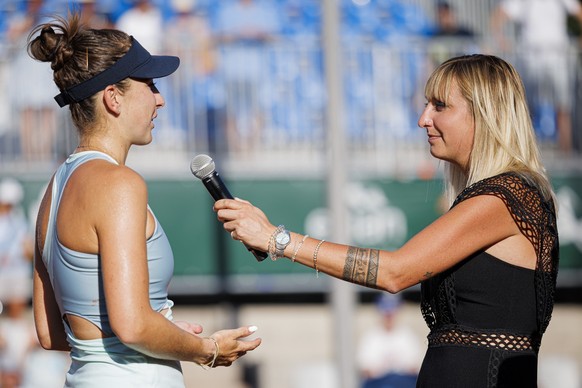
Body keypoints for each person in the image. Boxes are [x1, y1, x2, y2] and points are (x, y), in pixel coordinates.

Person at [214, 54, 559, 387]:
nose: (424, 119)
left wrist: (278, 239)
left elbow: (394, 272)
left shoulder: (505, 195)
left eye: (440, 106)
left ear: (485, 115)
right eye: (426, 105)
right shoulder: (498, 194)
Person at [29, 14, 261, 387]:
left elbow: (50, 332)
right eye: (150, 85)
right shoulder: (120, 184)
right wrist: (206, 349)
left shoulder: (55, 187)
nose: (160, 99)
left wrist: (167, 334)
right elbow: (133, 326)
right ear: (113, 98)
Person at [490, 0, 582, 153]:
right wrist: (500, 40)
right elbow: (498, 16)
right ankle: (527, 152)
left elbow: (578, 11)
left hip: (557, 55)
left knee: (562, 107)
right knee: (525, 106)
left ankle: (565, 152)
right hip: (530, 57)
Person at [356, 293, 423, 388]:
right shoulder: (370, 337)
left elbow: (414, 368)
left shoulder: (408, 336)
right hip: (379, 383)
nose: (389, 316)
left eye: (392, 311)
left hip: (403, 382)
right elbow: (366, 370)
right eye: (386, 311)